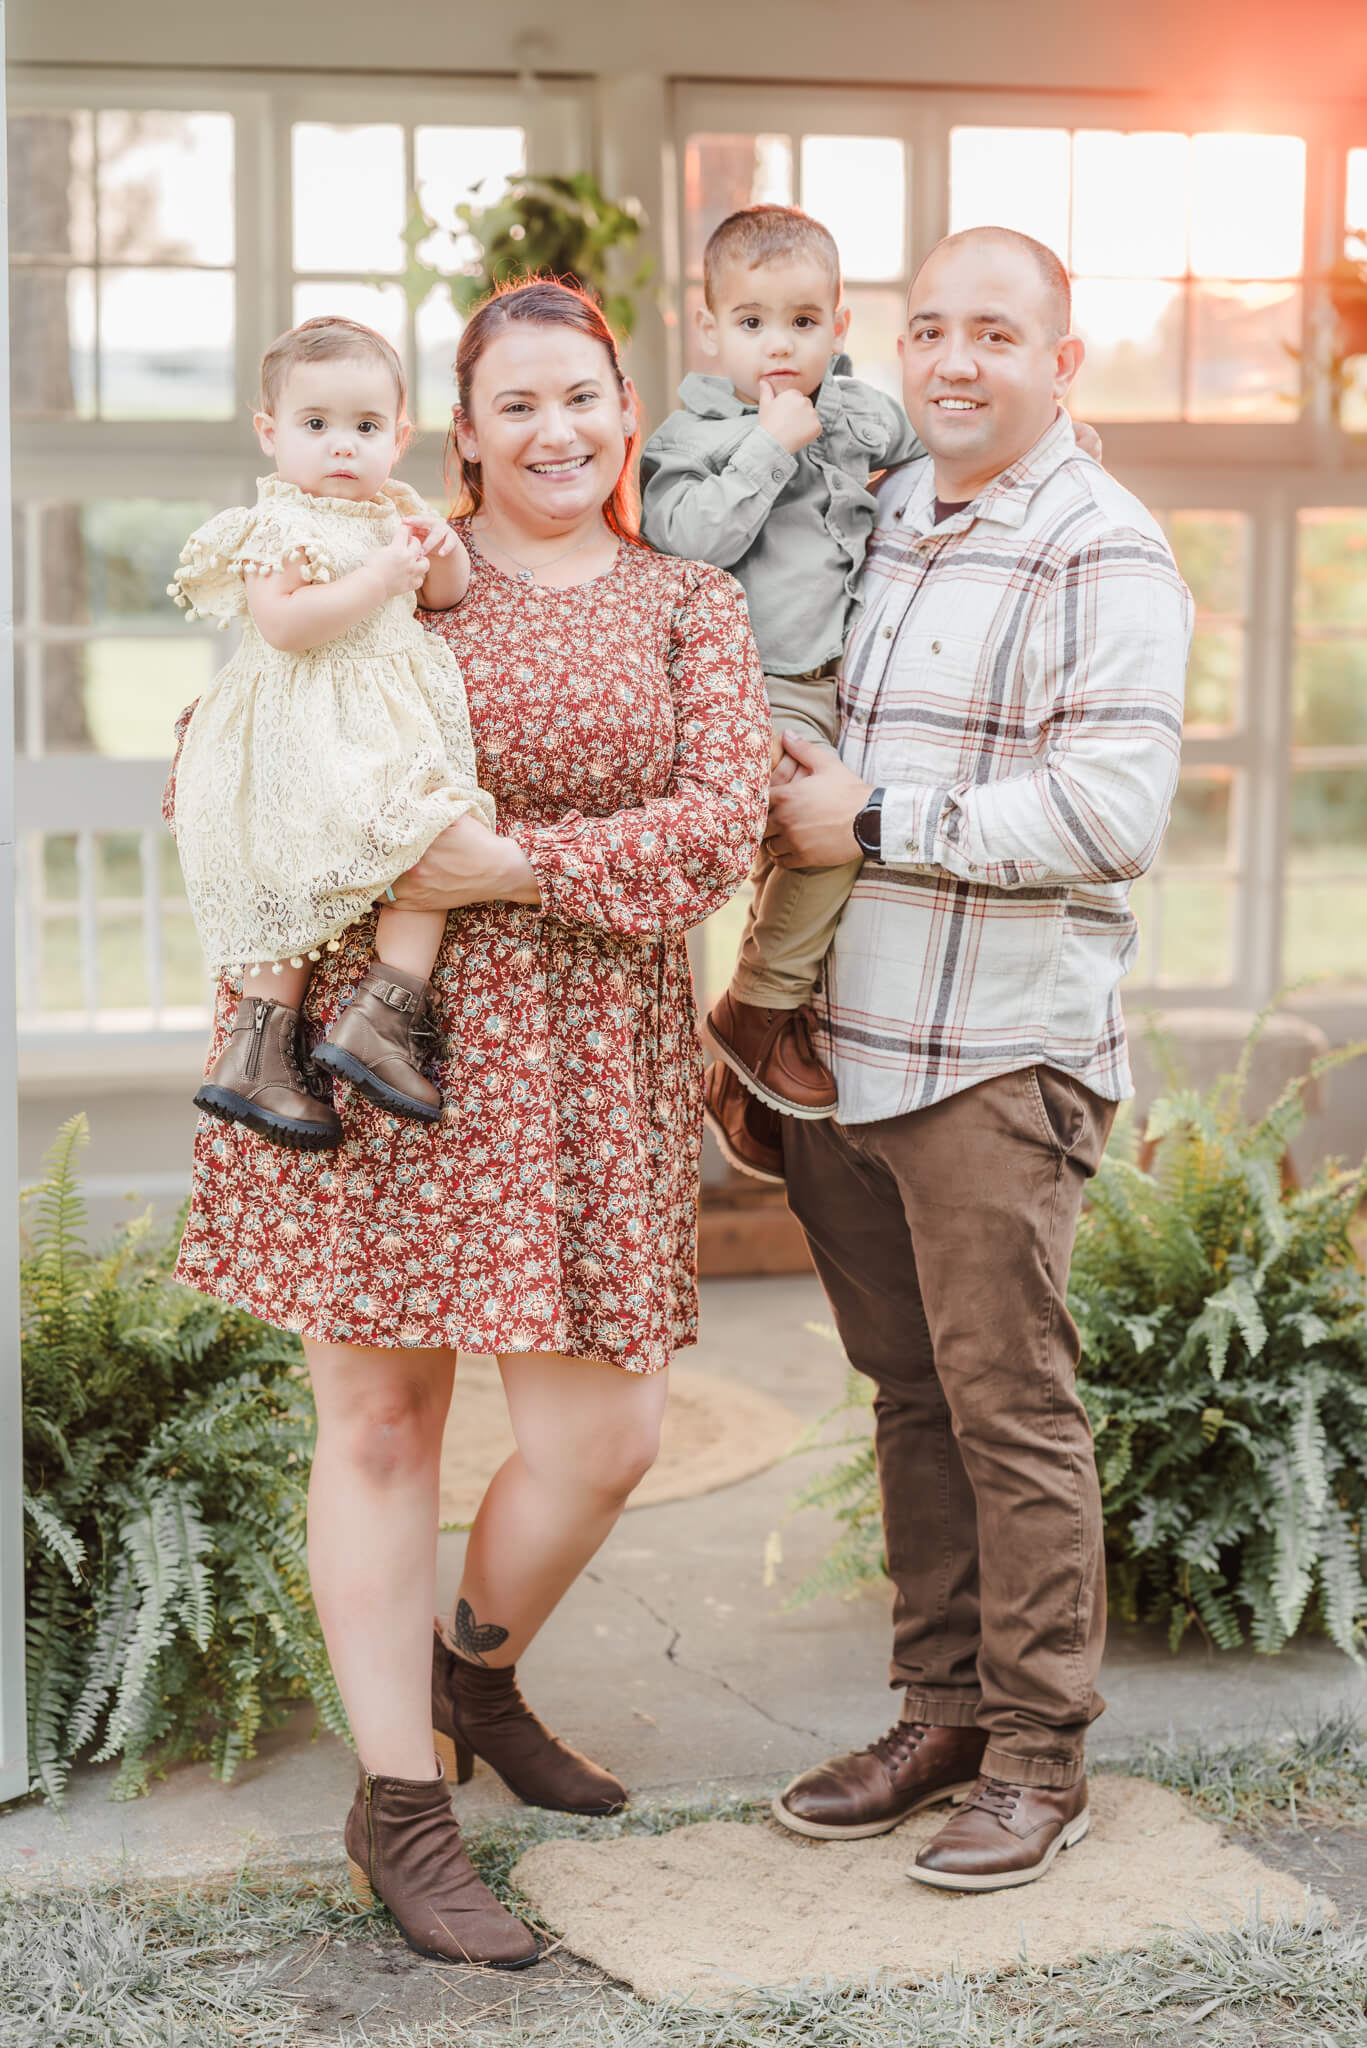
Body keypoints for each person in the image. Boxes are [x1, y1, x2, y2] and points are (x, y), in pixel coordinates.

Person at [165, 279, 771, 1964]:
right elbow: (218, 748)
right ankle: (400, 1805)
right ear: (464, 430)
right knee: (377, 1424)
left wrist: (514, 865)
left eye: (580, 396)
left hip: (585, 1059)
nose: (554, 431)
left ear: (627, 408)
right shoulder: (388, 573)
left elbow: (719, 826)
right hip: (379, 1045)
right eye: (515, 405)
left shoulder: (685, 602)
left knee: (604, 1437)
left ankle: (469, 1677)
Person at [714, 226, 1191, 1891]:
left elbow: (1111, 811)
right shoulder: (890, 504)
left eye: (994, 330)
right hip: (846, 1046)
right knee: (910, 1399)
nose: (954, 359)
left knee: (1008, 1409)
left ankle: (1041, 1751)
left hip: (993, 1056)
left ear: (1065, 361)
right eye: (927, 328)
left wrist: (876, 816)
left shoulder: (1101, 548)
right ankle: (941, 1712)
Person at [170, 316, 495, 1149]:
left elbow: (446, 594)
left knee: (430, 839)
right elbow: (284, 625)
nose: (341, 447)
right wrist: (383, 574)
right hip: (300, 728)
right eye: (316, 426)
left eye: (365, 427)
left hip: (377, 729)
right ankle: (261, 1046)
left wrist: (437, 545)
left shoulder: (393, 512)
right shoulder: (283, 525)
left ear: (399, 437)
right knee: (289, 883)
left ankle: (383, 1012)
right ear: (271, 434)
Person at [641, 206, 923, 1128]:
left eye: (803, 322)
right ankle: (758, 1007)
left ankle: (752, 1083)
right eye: (752, 322)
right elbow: (683, 538)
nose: (778, 345)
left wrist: (1039, 448)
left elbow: (937, 449)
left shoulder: (858, 412)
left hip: (839, 684)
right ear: (712, 327)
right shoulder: (693, 437)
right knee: (821, 840)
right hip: (742, 691)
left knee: (846, 841)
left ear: (838, 328)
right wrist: (771, 445)